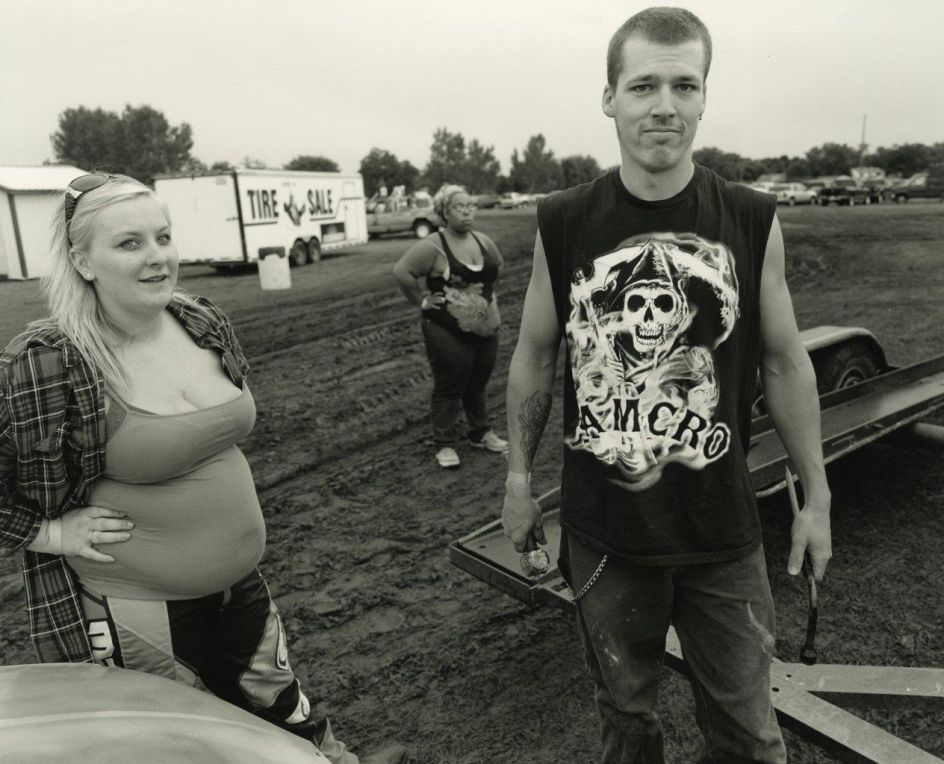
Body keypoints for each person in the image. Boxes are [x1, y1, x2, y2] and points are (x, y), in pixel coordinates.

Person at [501, 8, 832, 763]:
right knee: (626, 724)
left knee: (749, 736)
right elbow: (534, 356)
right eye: (643, 85)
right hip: (606, 537)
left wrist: (816, 497)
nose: (664, 106)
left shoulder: (751, 217)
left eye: (685, 86)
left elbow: (785, 362)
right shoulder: (564, 221)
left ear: (705, 97)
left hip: (722, 533)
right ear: (609, 97)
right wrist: (518, 481)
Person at [0, 173, 408, 764]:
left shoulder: (199, 319)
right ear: (82, 260)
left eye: (163, 237)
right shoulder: (47, 362)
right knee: (178, 743)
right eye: (130, 243)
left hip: (240, 585)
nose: (157, 256)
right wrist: (51, 533)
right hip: (137, 606)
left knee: (285, 712)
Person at [393, 184, 508, 468]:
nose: (467, 211)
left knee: (478, 382)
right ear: (444, 212)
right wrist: (421, 301)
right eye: (459, 207)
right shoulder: (433, 245)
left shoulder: (483, 240)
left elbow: (498, 267)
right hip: (445, 329)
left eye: (470, 205)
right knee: (450, 382)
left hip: (485, 328)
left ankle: (480, 433)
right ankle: (444, 443)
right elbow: (402, 272)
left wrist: (484, 298)